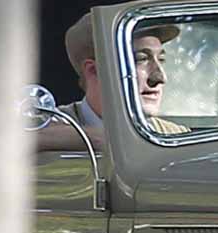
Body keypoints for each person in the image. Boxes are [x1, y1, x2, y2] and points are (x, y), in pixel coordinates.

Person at [36, 12, 186, 151]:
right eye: (141, 59)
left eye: (161, 59)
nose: (160, 78)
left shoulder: (174, 134)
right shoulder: (48, 125)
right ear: (93, 70)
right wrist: (98, 138)